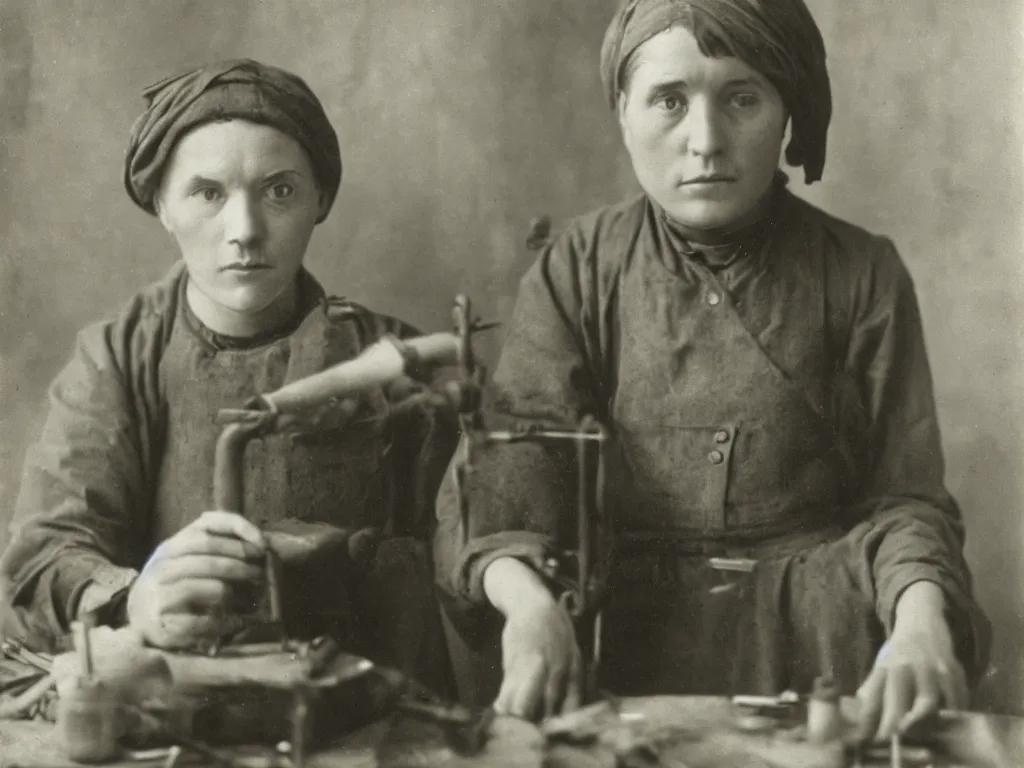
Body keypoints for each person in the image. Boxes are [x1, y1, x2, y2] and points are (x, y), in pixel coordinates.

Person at [434, 0, 991, 742]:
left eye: (742, 98)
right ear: (623, 113)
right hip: (628, 643)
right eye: (669, 100)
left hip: (825, 643)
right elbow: (519, 468)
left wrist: (920, 625)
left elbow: (904, 498)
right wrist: (532, 607)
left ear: (787, 110)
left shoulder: (860, 273)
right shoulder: (578, 269)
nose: (706, 141)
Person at [0, 60, 456, 691]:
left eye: (279, 191)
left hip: (367, 714)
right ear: (163, 203)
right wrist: (134, 600)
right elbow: (41, 556)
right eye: (207, 193)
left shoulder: (393, 361)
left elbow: (469, 549)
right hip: (181, 712)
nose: (244, 232)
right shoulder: (116, 358)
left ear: (321, 199)